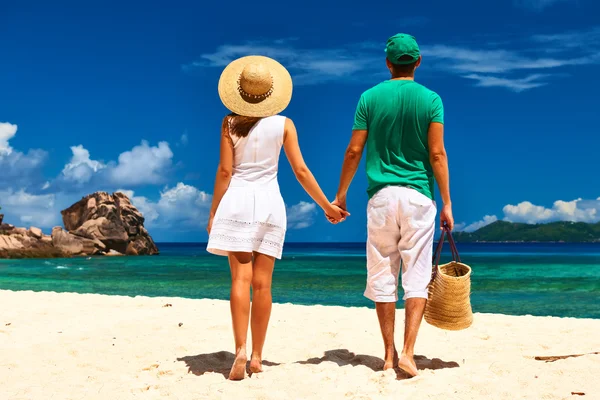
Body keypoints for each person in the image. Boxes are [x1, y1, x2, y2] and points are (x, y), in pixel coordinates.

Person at [206, 56, 348, 380]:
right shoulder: (284, 124)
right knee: (263, 284)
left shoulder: (229, 123)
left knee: (240, 280)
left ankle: (239, 348)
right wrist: (327, 206)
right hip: (270, 204)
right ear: (271, 94)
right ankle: (257, 357)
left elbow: (225, 171)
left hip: (238, 202)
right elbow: (300, 171)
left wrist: (214, 211)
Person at [331, 33, 454, 377]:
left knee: (383, 272)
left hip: (382, 198)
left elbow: (354, 150)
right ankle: (410, 354)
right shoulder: (431, 99)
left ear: (388, 63)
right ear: (418, 62)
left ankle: (388, 354)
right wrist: (446, 202)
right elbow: (437, 154)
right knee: (416, 276)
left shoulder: (369, 98)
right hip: (417, 195)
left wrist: (340, 195)